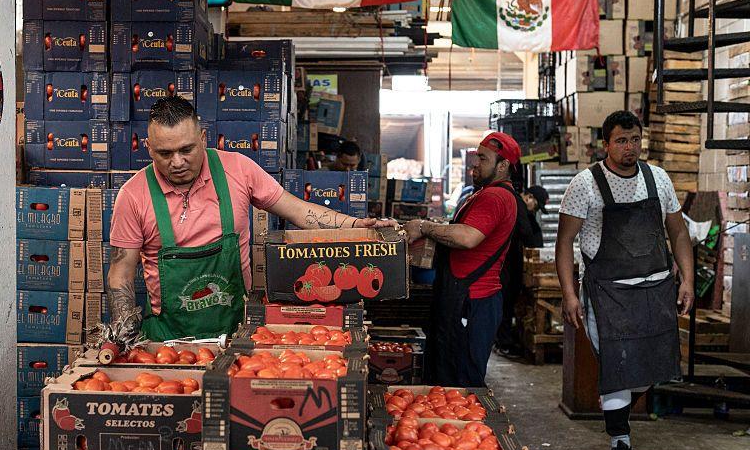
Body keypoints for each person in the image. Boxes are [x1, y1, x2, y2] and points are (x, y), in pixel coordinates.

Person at [107, 97, 396, 342]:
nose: (178, 162)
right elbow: (121, 272)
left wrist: (358, 226)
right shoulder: (133, 195)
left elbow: (299, 212)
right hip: (168, 341)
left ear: (203, 138)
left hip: (237, 334)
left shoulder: (238, 170)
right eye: (165, 153)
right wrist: (124, 332)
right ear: (148, 148)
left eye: (186, 149)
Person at [556, 110, 694, 450]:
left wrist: (687, 281)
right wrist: (569, 294)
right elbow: (565, 242)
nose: (629, 148)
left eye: (635, 140)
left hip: (656, 289)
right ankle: (620, 441)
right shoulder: (585, 184)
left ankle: (613, 405)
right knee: (618, 366)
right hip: (607, 292)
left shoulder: (658, 178)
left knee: (651, 367)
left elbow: (679, 233)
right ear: (606, 144)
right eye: (621, 141)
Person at [404, 132, 520, 386]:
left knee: (461, 383)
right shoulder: (485, 193)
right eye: (476, 156)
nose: (475, 163)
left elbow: (467, 237)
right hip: (464, 298)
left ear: (503, 166)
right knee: (448, 378)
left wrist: (423, 227)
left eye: (483, 158)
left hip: (472, 302)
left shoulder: (496, 197)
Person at [495, 184, 548, 358]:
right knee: (505, 302)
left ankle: (505, 340)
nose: (536, 210)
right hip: (506, 265)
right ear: (529, 197)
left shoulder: (524, 211)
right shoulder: (518, 206)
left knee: (508, 303)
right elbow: (529, 236)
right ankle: (503, 343)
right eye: (537, 205)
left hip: (512, 264)